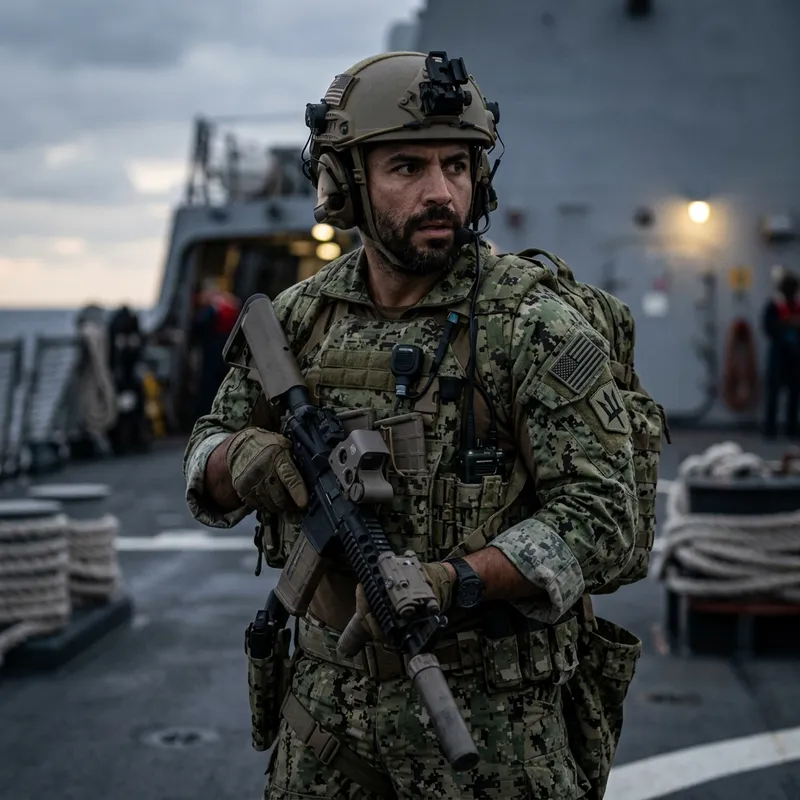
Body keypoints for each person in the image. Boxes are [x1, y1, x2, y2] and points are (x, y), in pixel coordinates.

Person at [183, 51, 640, 799]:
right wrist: (245, 457)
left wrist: (453, 581)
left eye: (457, 167)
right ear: (345, 182)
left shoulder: (533, 325)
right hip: (325, 722)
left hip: (493, 728)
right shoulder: (299, 320)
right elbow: (201, 457)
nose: (441, 192)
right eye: (407, 168)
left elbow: (607, 520)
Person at [190, 277, 241, 420]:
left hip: (213, 352)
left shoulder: (213, 307)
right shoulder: (232, 302)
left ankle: (203, 416)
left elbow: (199, 326)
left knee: (207, 387)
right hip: (228, 351)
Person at [762, 270, 800, 438]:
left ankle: (791, 429)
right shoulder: (774, 307)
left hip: (795, 357)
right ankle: (770, 429)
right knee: (773, 395)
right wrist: (785, 324)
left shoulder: (798, 307)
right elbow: (768, 328)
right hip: (778, 356)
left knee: (794, 396)